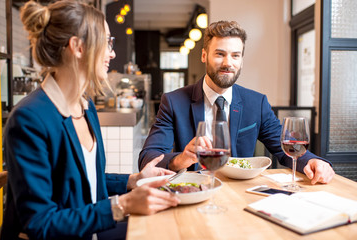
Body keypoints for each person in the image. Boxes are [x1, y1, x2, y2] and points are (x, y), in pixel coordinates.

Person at [1, 1, 179, 239]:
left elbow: (83, 181)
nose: (112, 53)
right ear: (78, 47)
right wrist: (121, 206)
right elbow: (40, 223)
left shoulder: (87, 108)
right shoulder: (29, 119)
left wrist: (134, 180)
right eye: (107, 42)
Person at [139, 20, 335, 185]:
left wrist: (314, 161)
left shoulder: (256, 103)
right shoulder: (173, 102)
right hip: (194, 191)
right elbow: (148, 158)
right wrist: (180, 160)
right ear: (204, 55)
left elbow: (283, 148)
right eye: (219, 54)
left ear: (241, 60)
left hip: (241, 194)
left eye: (235, 55)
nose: (228, 63)